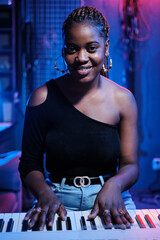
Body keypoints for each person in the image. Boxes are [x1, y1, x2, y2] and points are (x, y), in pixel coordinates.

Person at [19, 6, 139, 231]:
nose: (81, 58)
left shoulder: (123, 100)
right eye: (72, 49)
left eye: (91, 48)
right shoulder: (41, 98)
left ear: (106, 47)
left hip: (109, 199)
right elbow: (29, 164)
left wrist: (114, 185)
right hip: (55, 200)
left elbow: (131, 165)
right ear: (64, 51)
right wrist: (45, 194)